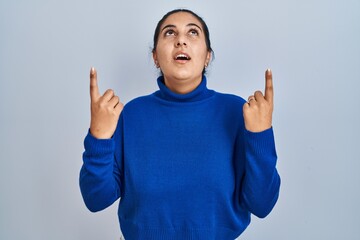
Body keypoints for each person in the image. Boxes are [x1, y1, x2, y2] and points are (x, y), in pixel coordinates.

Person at [79, 9, 281, 240]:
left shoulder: (238, 112)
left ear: (207, 56)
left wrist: (261, 134)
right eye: (169, 33)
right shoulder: (130, 115)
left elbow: (262, 205)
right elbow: (95, 199)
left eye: (193, 32)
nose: (181, 40)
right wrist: (99, 137)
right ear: (155, 56)